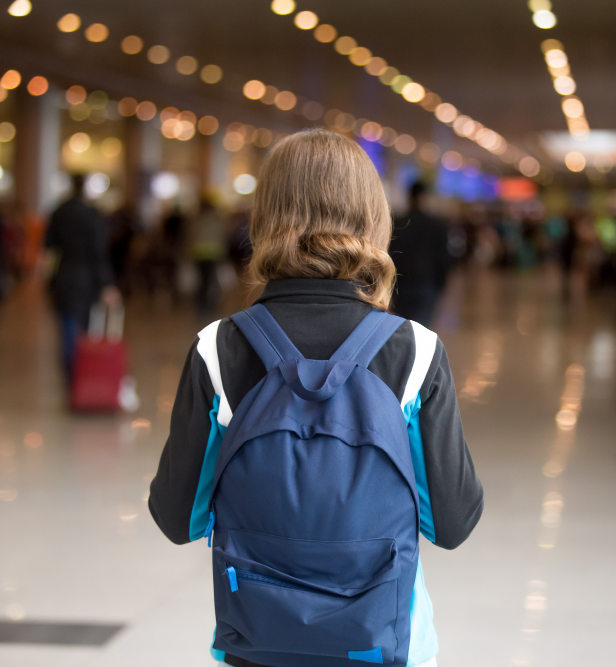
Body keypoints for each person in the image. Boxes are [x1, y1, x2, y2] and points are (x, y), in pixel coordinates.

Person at [149, 129, 483, 667]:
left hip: (258, 642)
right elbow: (452, 522)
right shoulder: (414, 352)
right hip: (383, 644)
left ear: (263, 218)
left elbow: (176, 517)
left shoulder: (218, 348)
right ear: (373, 218)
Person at [44, 173, 119, 380]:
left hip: (64, 278)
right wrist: (107, 284)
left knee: (68, 330)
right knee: (85, 331)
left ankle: (71, 377)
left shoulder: (58, 212)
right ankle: (83, 377)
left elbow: (49, 250)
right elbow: (99, 253)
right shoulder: (92, 214)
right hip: (87, 282)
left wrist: (48, 281)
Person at [390, 181, 453, 326]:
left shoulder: (398, 223)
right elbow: (443, 258)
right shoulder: (436, 225)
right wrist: (441, 284)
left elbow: (391, 254)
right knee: (422, 329)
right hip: (427, 283)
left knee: (402, 328)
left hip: (401, 285)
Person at [188, 195, 228, 316]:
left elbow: (191, 236)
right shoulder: (217, 219)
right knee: (212, 280)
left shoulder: (197, 220)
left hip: (199, 254)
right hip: (214, 253)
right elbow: (223, 237)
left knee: (201, 280)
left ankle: (200, 304)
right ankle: (210, 304)